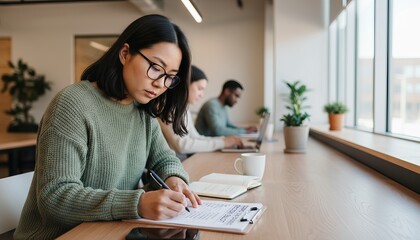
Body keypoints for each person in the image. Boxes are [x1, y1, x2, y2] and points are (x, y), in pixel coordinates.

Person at [14, 14, 201, 239]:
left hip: (112, 231)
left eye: (169, 77)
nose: (160, 84)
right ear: (125, 54)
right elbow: (55, 197)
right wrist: (138, 203)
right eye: (155, 67)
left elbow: (164, 159)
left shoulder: (142, 111)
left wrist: (174, 179)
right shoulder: (73, 104)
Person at [158, 65, 243, 159]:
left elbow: (195, 137)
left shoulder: (184, 108)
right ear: (185, 84)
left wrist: (224, 140)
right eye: (199, 89)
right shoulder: (166, 107)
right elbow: (181, 145)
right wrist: (223, 142)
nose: (201, 95)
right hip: (175, 164)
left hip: (184, 160)